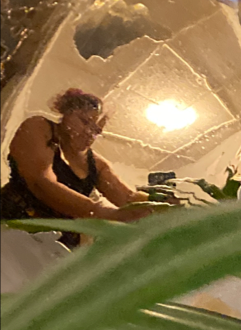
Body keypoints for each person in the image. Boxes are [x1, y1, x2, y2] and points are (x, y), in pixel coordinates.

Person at [1, 89, 158, 244]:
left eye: (97, 130)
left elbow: (128, 198)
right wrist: (104, 213)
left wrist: (162, 204)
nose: (90, 132)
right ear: (66, 113)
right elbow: (41, 182)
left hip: (55, 244)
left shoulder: (97, 164)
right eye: (84, 121)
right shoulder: (39, 128)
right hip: (11, 223)